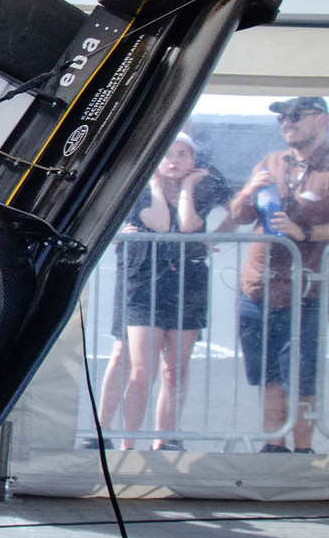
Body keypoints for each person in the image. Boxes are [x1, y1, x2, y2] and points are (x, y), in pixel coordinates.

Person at [116, 134, 231, 450]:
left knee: (175, 370)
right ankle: (128, 443)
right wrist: (156, 185)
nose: (175, 161)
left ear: (192, 160)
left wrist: (188, 187)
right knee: (142, 370)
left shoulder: (201, 189)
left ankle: (164, 439)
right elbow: (162, 224)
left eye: (183, 154)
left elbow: (188, 223)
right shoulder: (140, 189)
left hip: (188, 285)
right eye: (168, 154)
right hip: (145, 286)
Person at [229, 97, 329, 454]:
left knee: (300, 380)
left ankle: (302, 452)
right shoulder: (272, 161)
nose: (287, 123)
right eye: (282, 118)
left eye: (296, 116)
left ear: (321, 120)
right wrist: (247, 192)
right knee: (268, 376)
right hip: (256, 289)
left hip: (303, 293)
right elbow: (238, 216)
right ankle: (274, 447)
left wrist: (305, 233)